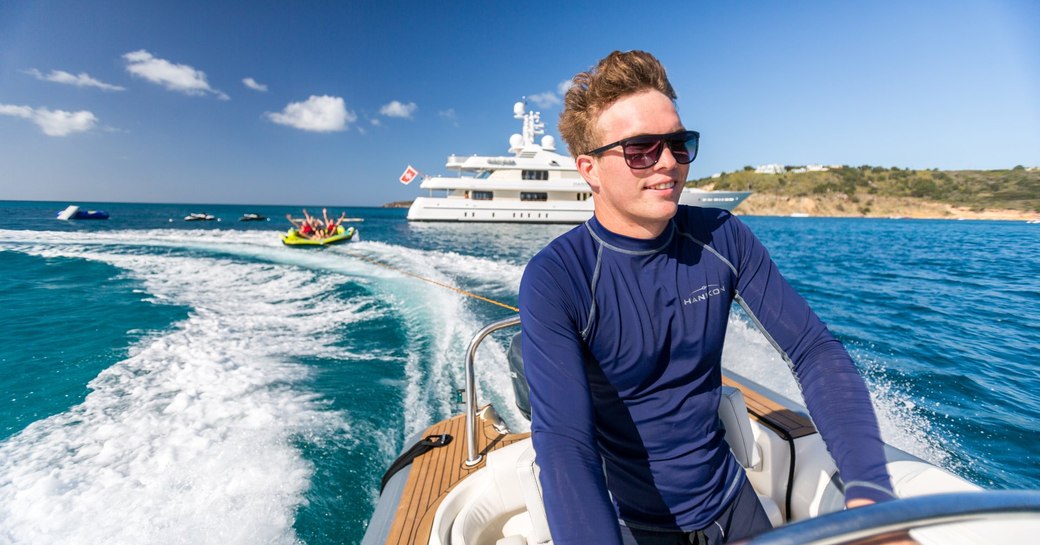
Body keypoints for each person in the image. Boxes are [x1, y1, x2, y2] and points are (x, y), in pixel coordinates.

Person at [517, 50, 897, 545]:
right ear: (589, 168)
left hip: (732, 503)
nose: (669, 163)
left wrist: (871, 495)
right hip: (634, 523)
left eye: (679, 144)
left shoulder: (722, 237)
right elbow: (565, 443)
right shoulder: (557, 277)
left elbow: (812, 350)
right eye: (641, 150)